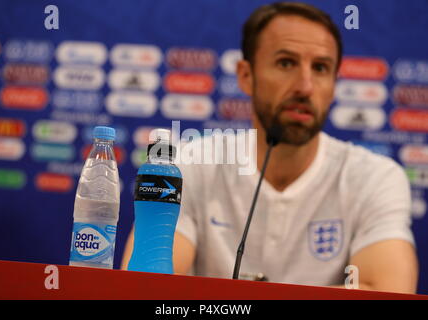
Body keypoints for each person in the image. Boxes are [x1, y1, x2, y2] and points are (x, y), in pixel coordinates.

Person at [122, 2, 418, 293]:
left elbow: (389, 291)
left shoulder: (375, 177)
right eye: (286, 63)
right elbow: (148, 286)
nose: (305, 86)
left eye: (320, 67)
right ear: (246, 76)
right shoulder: (190, 164)